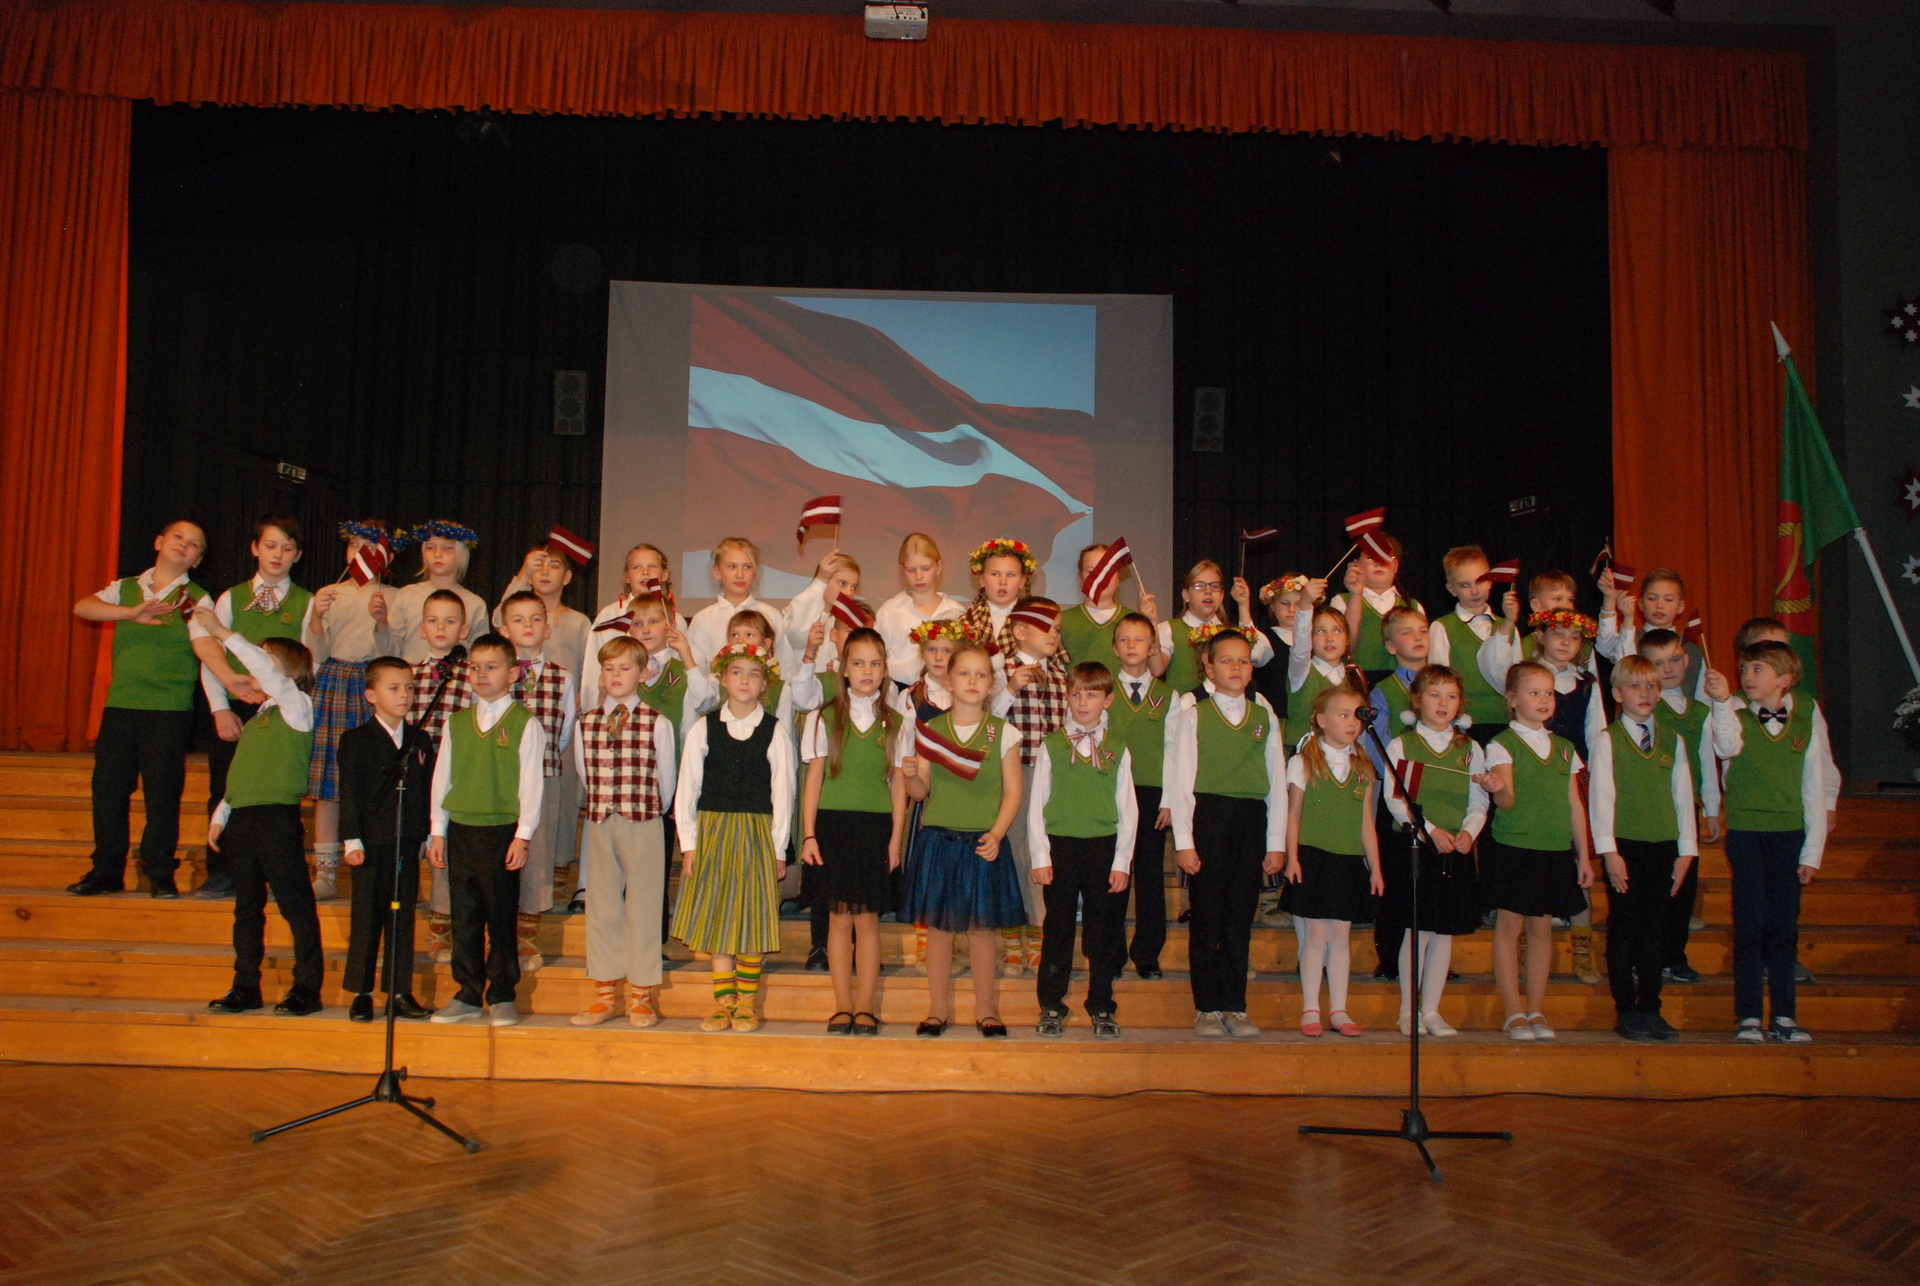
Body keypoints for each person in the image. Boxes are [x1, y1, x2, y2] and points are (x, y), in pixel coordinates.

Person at [69, 519, 211, 900]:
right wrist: (130, 613)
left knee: (162, 794)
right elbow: (83, 607)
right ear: (159, 541)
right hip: (121, 705)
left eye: (194, 544)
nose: (184, 545)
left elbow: (205, 645)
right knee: (109, 789)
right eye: (178, 537)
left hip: (168, 709)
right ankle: (106, 871)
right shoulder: (126, 588)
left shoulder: (196, 598)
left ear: (197, 560)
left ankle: (160, 872)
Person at [195, 606, 322, 1017]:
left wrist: (222, 631)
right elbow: (239, 775)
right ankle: (245, 986)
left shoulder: (297, 707)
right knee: (247, 907)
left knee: (295, 904)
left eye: (266, 658)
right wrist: (221, 816)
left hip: (276, 819)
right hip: (244, 819)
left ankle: (307, 988)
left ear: (288, 671)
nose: (256, 665)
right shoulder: (256, 720)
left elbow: (267, 674)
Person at [898, 638, 1025, 1038]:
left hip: (983, 844)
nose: (972, 680)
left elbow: (1013, 792)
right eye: (964, 673)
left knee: (982, 932)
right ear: (949, 681)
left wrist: (997, 834)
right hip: (939, 843)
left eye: (981, 674)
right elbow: (921, 793)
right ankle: (937, 1010)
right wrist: (910, 775)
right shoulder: (931, 731)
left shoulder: (1004, 732)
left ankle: (986, 1010)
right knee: (938, 932)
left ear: (991, 684)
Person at [1164, 626, 1287, 1039]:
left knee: (1240, 916)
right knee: (1207, 916)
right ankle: (1207, 1007)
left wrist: (1275, 843)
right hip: (1209, 817)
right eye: (1226, 660)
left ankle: (1236, 1004)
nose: (1236, 667)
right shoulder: (1194, 715)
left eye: (1243, 660)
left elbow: (1277, 781)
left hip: (1250, 819)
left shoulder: (1264, 716)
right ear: (1209, 667)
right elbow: (1182, 782)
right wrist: (1185, 843)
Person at [1705, 641, 1830, 1044]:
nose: (1747, 676)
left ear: (1785, 679)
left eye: (1758, 669)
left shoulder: (1805, 720)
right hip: (1746, 833)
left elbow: (1814, 787)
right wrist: (1721, 703)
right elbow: (1726, 747)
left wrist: (1812, 851)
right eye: (1744, 669)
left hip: (1789, 835)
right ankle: (1748, 1016)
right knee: (1749, 924)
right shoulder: (1734, 711)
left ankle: (1784, 1015)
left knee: (1783, 927)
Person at [673, 642, 794, 1034]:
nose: (745, 680)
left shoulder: (775, 731)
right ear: (723, 679)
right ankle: (723, 1001)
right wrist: (689, 844)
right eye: (737, 672)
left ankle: (746, 1002)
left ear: (765, 685)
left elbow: (783, 793)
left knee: (751, 918)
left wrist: (778, 848)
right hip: (713, 832)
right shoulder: (703, 728)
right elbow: (687, 788)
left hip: (756, 834)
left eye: (754, 674)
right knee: (719, 918)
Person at [188, 514, 311, 899]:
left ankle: (273, 872)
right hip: (236, 706)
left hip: (280, 714)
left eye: (287, 549)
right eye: (270, 546)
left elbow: (308, 662)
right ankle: (223, 871)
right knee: (227, 787)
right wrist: (220, 708)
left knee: (273, 795)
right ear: (255, 548)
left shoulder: (306, 602)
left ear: (298, 555)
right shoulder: (231, 597)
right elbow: (212, 655)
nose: (278, 555)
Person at [427, 632, 545, 1028]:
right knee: (464, 915)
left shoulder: (525, 723)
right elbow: (442, 778)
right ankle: (467, 992)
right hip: (461, 827)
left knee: (500, 914)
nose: (481, 674)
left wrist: (522, 835)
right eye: (475, 667)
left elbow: (531, 784)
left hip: (500, 830)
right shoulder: (457, 722)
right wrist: (438, 829)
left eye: (491, 667)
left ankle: (502, 993)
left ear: (512, 673)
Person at [1476, 660, 1592, 1042]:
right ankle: (1513, 1011)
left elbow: (1574, 805)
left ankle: (1536, 1008)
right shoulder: (1502, 744)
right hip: (1515, 848)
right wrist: (1497, 789)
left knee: (1542, 928)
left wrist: (1583, 855)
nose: (1544, 699)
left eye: (1548, 693)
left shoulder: (1565, 748)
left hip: (1554, 849)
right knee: (1509, 926)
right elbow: (1507, 801)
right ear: (1512, 699)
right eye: (1534, 692)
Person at [799, 628, 907, 1036]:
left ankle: (865, 1007)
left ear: (885, 670)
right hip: (833, 827)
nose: (867, 671)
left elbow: (898, 787)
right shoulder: (823, 717)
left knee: (868, 920)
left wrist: (895, 840)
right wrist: (809, 835)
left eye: (875, 663)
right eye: (858, 663)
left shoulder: (897, 722)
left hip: (875, 829)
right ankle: (842, 1006)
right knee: (838, 920)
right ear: (843, 668)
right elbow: (814, 780)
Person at [571, 635, 679, 1028]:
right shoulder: (586, 723)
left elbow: (666, 779)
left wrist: (650, 810)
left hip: (644, 820)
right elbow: (585, 773)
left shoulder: (657, 722)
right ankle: (605, 994)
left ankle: (641, 996)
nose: (616, 675)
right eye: (609, 668)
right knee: (602, 906)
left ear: (643, 673)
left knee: (644, 906)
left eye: (625, 668)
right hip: (602, 820)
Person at [1588, 654, 1696, 1042]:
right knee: (1624, 928)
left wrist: (1686, 851)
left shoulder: (1673, 740)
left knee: (1655, 930)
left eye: (1651, 685)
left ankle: (1651, 1006)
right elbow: (1601, 798)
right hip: (1626, 846)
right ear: (1618, 694)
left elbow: (1682, 797)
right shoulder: (1608, 740)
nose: (1645, 692)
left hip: (1664, 844)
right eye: (1635, 686)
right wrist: (1609, 852)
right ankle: (1626, 1009)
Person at [1028, 661, 1138, 1039]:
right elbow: (1037, 804)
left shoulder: (1118, 748)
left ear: (1107, 700)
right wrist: (1040, 856)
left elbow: (1128, 809)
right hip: (1061, 846)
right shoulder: (1053, 745)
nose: (1083, 702)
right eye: (1076, 694)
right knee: (1057, 928)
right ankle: (1051, 1004)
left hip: (1102, 847)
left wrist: (1122, 861)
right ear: (1067, 698)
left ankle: (1102, 1004)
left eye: (1092, 695)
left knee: (1102, 931)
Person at [1381, 667, 1486, 1038]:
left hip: (1454, 849)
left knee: (1444, 933)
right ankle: (1407, 1010)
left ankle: (1432, 1010)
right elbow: (1396, 800)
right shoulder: (1402, 745)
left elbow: (1478, 800)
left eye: (1451, 696)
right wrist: (1430, 831)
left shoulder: (1470, 749)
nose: (1444, 703)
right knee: (1418, 931)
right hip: (1418, 847)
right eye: (1435, 694)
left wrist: (1468, 832)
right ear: (1416, 701)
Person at [1282, 685, 1384, 1038]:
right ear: (1322, 720)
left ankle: (1339, 1009)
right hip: (1313, 856)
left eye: (1357, 715)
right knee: (1315, 935)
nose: (1352, 722)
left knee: (1341, 937)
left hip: (1348, 858)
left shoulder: (1363, 766)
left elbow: (1366, 821)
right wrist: (1292, 857)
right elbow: (1293, 814)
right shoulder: (1303, 762)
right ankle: (1311, 1007)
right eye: (1343, 715)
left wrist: (1375, 867)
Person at [337, 656, 434, 1023]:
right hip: (371, 842)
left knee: (401, 915)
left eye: (409, 687)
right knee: (367, 915)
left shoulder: (419, 739)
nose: (404, 695)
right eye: (393, 688)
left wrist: (426, 834)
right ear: (371, 695)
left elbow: (425, 791)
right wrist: (352, 840)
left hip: (405, 840)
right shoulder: (356, 740)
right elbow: (350, 792)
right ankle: (361, 991)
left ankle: (398, 989)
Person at [305, 520, 397, 901]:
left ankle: (375, 867)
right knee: (330, 782)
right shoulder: (330, 593)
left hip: (376, 682)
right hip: (335, 681)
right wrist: (316, 617)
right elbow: (314, 653)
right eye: (354, 544)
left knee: (375, 780)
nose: (360, 552)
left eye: (369, 545)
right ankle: (326, 871)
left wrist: (382, 621)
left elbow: (394, 652)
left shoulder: (395, 596)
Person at [498, 590, 576, 971]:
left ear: (547, 628)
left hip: (544, 777)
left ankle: (527, 938)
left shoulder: (563, 678)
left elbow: (565, 730)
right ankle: (498, 933)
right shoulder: (495, 674)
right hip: (500, 781)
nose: (527, 626)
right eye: (518, 619)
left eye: (535, 619)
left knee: (537, 857)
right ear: (503, 630)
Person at [1637, 626, 1720, 986]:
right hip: (1654, 811)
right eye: (1658, 663)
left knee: (1684, 888)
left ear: (1687, 661)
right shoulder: (1647, 711)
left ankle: (1675, 956)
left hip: (1688, 815)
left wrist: (1711, 808)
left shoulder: (1700, 711)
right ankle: (1646, 957)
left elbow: (1707, 761)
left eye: (1674, 660)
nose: (1668, 669)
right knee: (1653, 889)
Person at [999, 596, 1070, 975]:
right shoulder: (1001, 670)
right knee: (1014, 851)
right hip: (1015, 774)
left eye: (1057, 628)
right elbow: (987, 720)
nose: (1054, 634)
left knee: (1044, 853)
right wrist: (1009, 688)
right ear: (1020, 631)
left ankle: (1040, 933)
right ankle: (1012, 937)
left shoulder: (1060, 675)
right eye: (1047, 627)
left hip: (1052, 776)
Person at [1105, 611, 1174, 979]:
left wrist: (1170, 800)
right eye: (1124, 639)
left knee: (1150, 875)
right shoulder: (1104, 692)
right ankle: (1111, 952)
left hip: (1151, 794)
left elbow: (1175, 751)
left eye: (1140, 639)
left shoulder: (1169, 696)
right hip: (1111, 792)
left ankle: (1147, 953)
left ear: (1152, 648)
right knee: (1113, 872)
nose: (1132, 645)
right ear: (1115, 648)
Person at [410, 588, 474, 964]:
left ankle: (441, 924)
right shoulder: (409, 675)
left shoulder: (471, 677)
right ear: (422, 628)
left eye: (450, 621)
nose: (440, 628)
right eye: (433, 620)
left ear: (463, 630)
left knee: (443, 849)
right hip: (416, 773)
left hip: (453, 775)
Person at [581, 543, 689, 712]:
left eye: (652, 566)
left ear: (664, 574)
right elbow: (593, 668)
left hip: (663, 703)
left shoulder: (675, 619)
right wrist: (593, 709)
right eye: (637, 567)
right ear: (626, 577)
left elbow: (679, 667)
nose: (645, 572)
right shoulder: (610, 615)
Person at [1424, 546, 1508, 742]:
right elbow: (1439, 680)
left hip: (1504, 719)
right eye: (1464, 585)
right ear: (1451, 589)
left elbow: (1517, 682)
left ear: (1491, 581)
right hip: (1463, 723)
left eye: (1480, 581)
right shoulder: (1442, 627)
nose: (1475, 591)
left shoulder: (1508, 627)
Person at [1157, 559, 1274, 695]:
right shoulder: (1168, 629)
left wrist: (1243, 605)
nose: (1208, 591)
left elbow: (1260, 656)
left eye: (1214, 586)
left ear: (1222, 595)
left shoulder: (1230, 633)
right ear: (1186, 594)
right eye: (1199, 586)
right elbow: (1156, 668)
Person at [385, 520, 486, 665]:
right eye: (431, 548)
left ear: (461, 553)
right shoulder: (407, 595)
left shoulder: (475, 604)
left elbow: (480, 654)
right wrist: (381, 624)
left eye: (447, 548)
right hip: (412, 675)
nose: (438, 554)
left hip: (457, 676)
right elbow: (391, 648)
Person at [873, 532, 967, 686]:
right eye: (911, 570)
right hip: (899, 689)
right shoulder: (890, 611)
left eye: (925, 568)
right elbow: (877, 656)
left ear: (938, 567)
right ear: (902, 571)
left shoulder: (955, 612)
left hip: (944, 689)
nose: (918, 576)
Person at [685, 537, 787, 672]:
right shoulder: (704, 618)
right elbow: (695, 669)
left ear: (754, 573)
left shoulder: (770, 615)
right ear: (717, 572)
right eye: (732, 567)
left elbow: (785, 666)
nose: (740, 574)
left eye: (747, 567)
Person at [1058, 541, 1161, 671]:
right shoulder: (1062, 621)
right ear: (1080, 579)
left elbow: (1156, 669)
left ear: (1118, 579)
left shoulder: (1132, 621)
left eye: (1107, 571)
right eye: (1091, 571)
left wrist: (1151, 622)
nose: (1100, 578)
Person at [1330, 534, 1422, 679]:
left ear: (1396, 565)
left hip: (1403, 683)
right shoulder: (1342, 601)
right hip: (1358, 682)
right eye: (1371, 558)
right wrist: (1356, 595)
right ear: (1356, 565)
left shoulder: (1413, 606)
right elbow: (1346, 646)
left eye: (1386, 557)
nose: (1379, 563)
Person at [1286, 595, 1359, 736]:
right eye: (1320, 631)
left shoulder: (1353, 677)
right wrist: (1305, 605)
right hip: (1304, 749)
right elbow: (1300, 648)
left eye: (1337, 631)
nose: (1329, 638)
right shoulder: (1302, 671)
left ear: (1347, 639)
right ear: (1310, 638)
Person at [957, 537, 1036, 660]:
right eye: (995, 574)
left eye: (1010, 575)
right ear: (982, 579)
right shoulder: (966, 621)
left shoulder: (1035, 621)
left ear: (1022, 581)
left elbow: (1051, 663)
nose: (1003, 581)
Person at [1251, 571, 1312, 721]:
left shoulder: (1315, 640)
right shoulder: (1264, 638)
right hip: (1275, 714)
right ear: (1272, 606)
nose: (1292, 609)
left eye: (1298, 604)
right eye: (1285, 603)